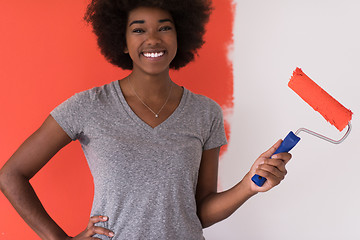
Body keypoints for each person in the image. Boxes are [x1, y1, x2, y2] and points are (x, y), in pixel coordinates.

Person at [0, 0, 291, 239]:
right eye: (138, 30)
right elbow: (10, 175)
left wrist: (248, 187)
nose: (153, 39)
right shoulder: (88, 106)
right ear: (123, 42)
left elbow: (199, 212)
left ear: (180, 36)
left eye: (165, 28)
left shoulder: (206, 112)